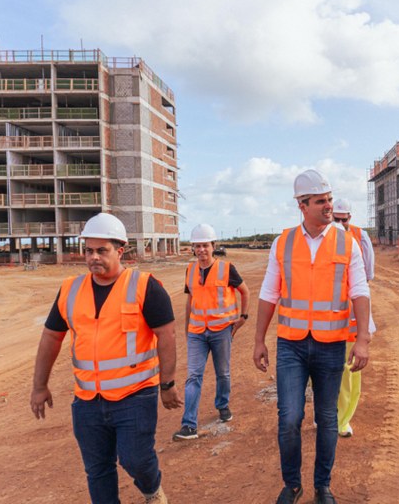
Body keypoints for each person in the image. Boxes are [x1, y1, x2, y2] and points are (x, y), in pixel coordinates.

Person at [30, 213, 182, 504]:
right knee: (98, 471)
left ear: (120, 251)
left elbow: (167, 336)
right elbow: (51, 337)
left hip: (135, 396)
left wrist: (167, 384)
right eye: (89, 250)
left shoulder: (146, 286)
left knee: (136, 460)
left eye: (102, 250)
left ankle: (152, 491)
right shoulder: (70, 290)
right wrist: (39, 385)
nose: (93, 257)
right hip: (87, 401)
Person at [253, 169, 371, 504]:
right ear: (302, 205)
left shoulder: (347, 243)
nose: (328, 206)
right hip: (291, 343)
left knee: (327, 418)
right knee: (289, 416)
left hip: (332, 343)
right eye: (321, 201)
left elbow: (360, 291)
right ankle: (292, 484)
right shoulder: (283, 242)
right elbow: (268, 293)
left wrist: (362, 339)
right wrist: (259, 340)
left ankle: (323, 486)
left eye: (330, 199)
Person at [173, 223, 250, 441]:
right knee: (193, 376)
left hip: (221, 330)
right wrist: (188, 327)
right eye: (197, 246)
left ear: (213, 246)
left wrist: (243, 317)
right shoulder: (190, 270)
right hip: (197, 331)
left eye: (205, 245)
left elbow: (245, 292)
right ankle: (189, 425)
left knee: (222, 373)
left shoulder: (227, 269)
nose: (201, 250)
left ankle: (222, 405)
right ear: (193, 248)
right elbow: (191, 300)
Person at [332, 197, 376, 438]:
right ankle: (326, 414)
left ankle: (342, 419)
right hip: (325, 318)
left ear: (350, 217)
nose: (340, 223)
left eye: (344, 220)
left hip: (352, 315)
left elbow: (367, 275)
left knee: (350, 371)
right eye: (336, 219)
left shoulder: (360, 237)